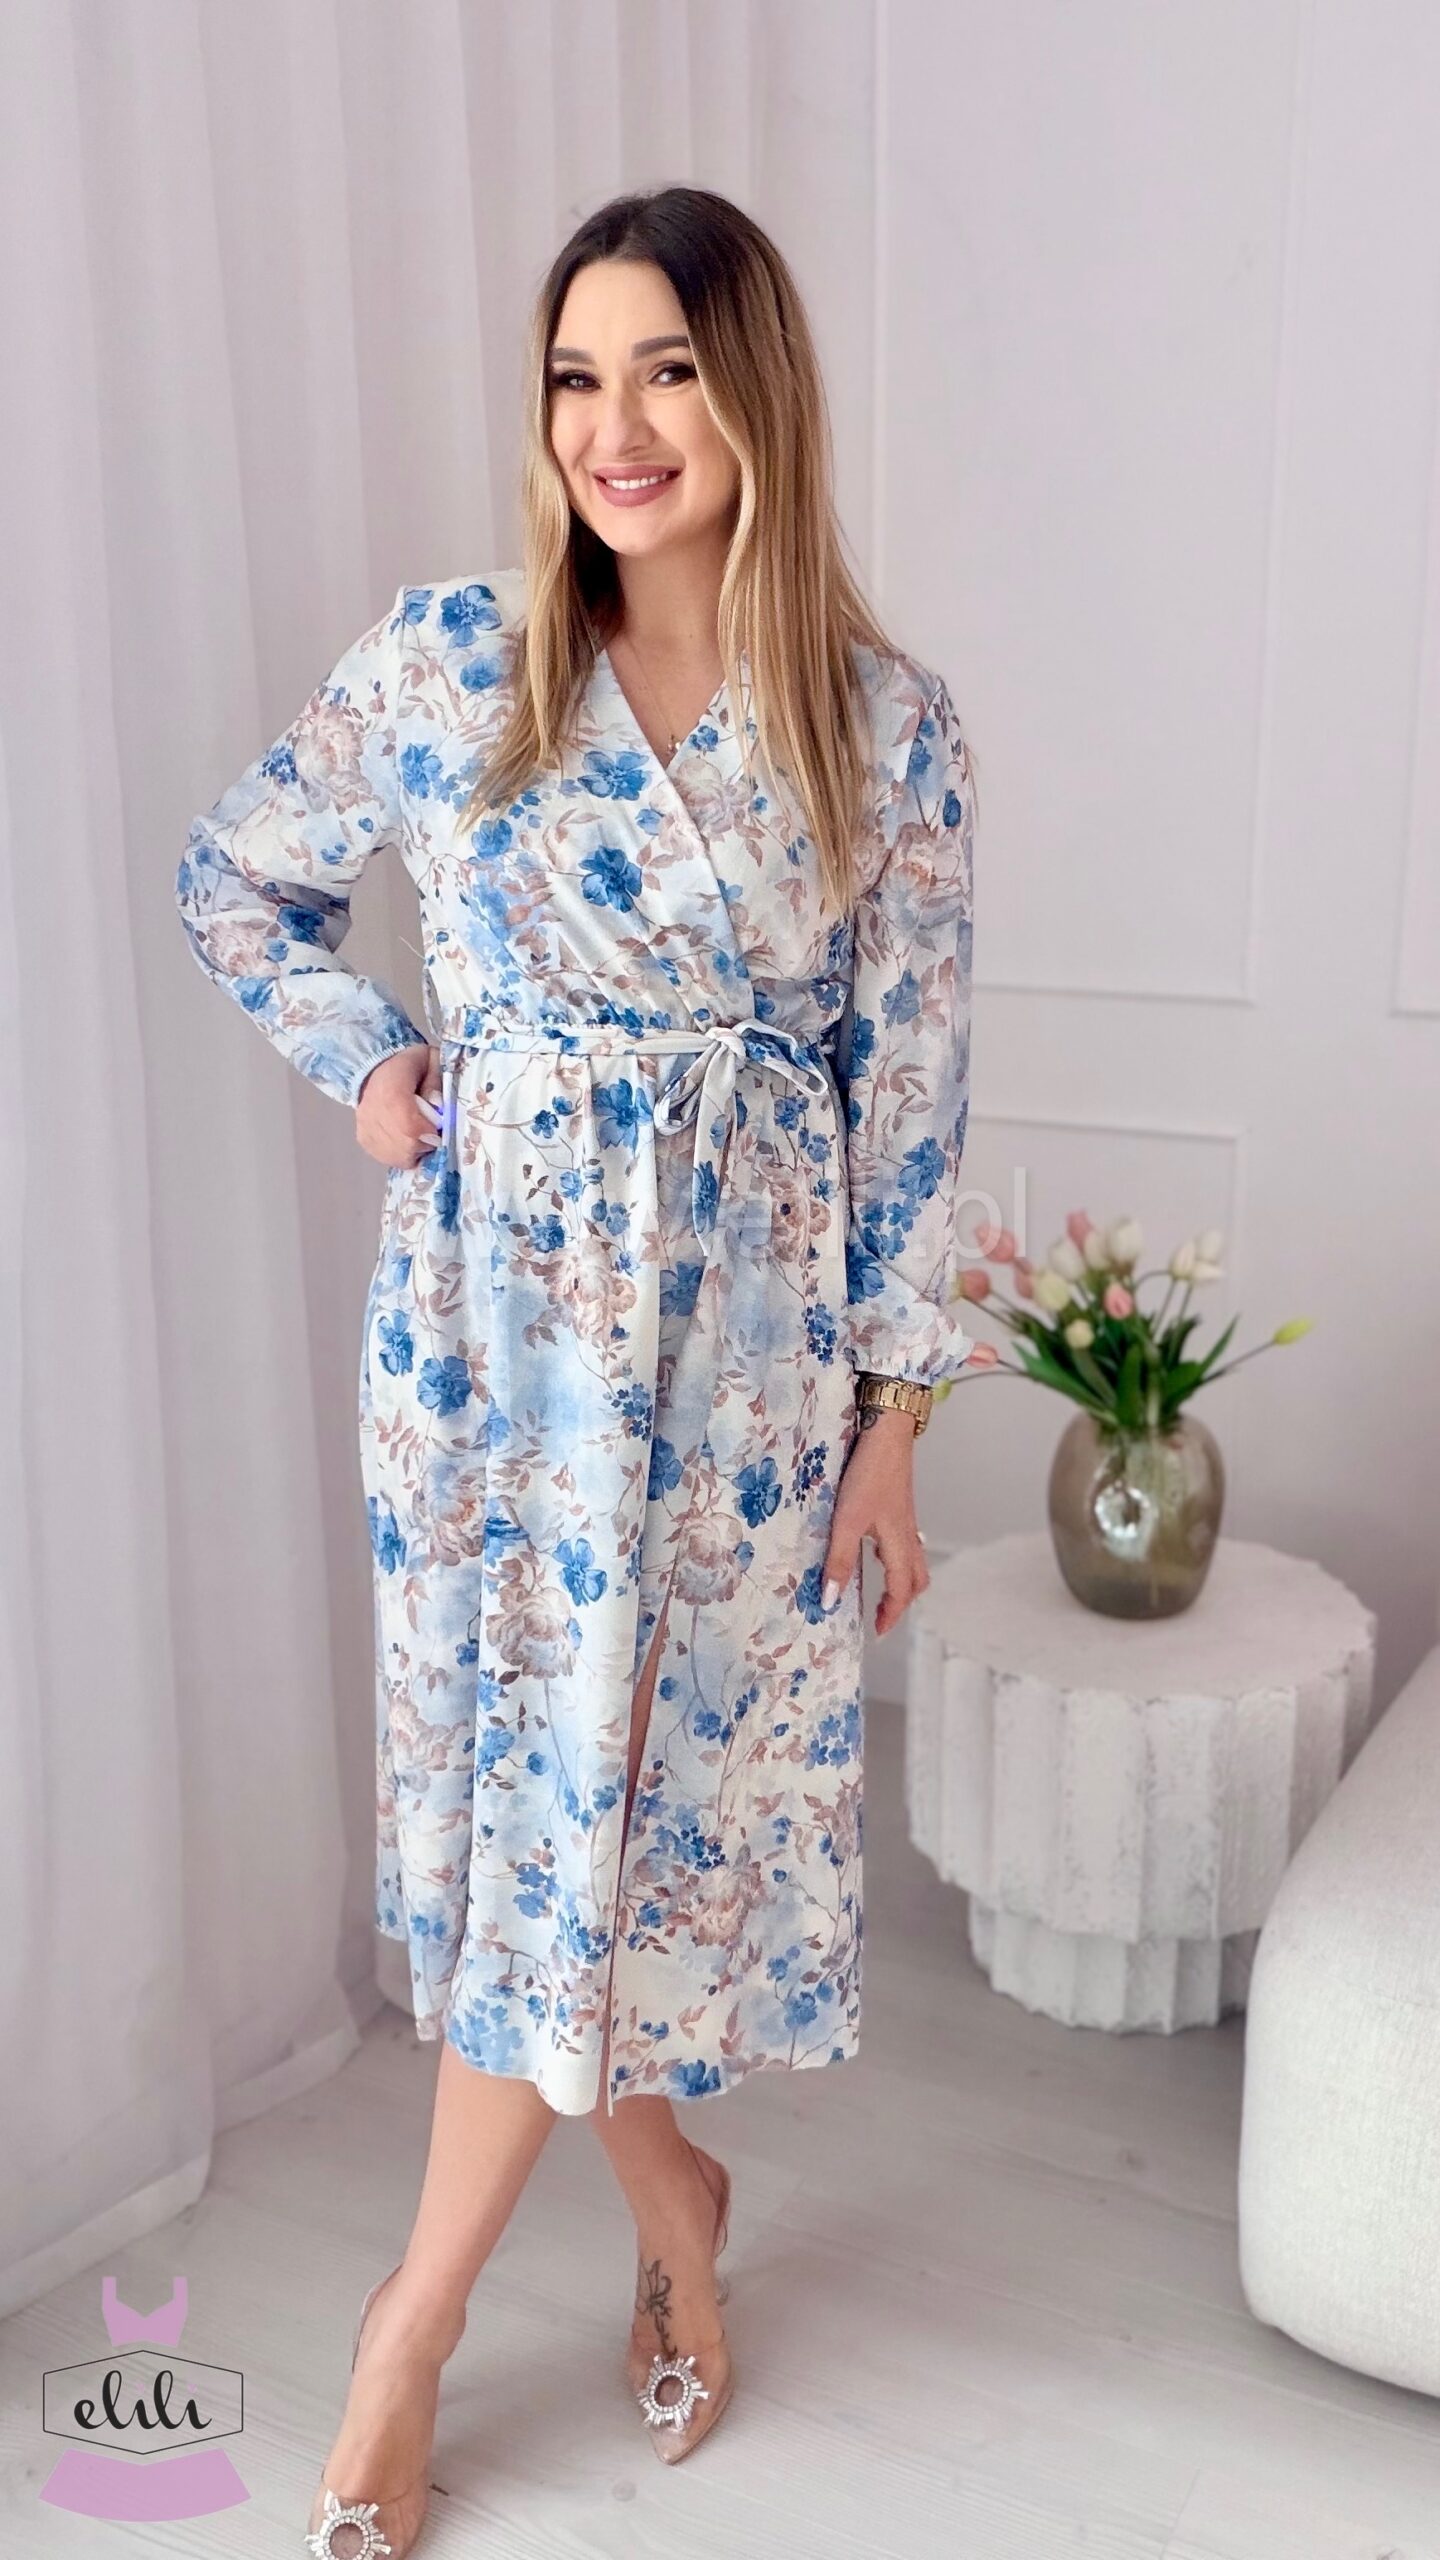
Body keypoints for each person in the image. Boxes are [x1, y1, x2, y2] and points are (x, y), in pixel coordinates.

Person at [175, 183, 975, 2559]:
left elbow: (912, 1099)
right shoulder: (453, 658)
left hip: (745, 1374)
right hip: (497, 1362)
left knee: (620, 1836)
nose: (613, 425)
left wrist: (895, 1425)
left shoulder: (885, 726)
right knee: (539, 1836)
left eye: (667, 369)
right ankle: (540, 2260)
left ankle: (430, 2314)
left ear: (758, 394)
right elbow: (238, 876)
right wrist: (367, 1055)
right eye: (573, 376)